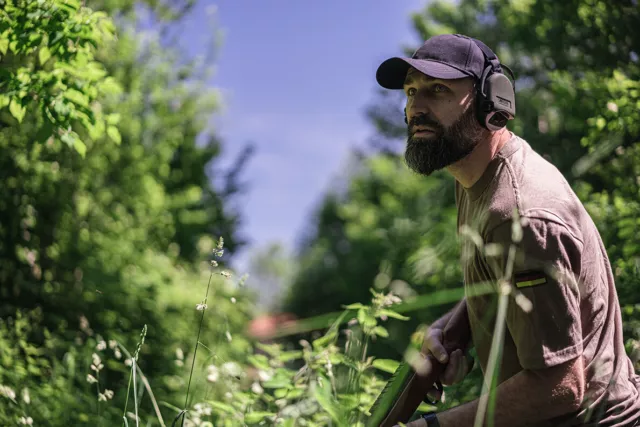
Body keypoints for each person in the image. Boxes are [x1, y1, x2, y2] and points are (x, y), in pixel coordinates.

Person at [375, 33, 640, 427]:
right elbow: (505, 277)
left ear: (490, 101)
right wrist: (452, 329)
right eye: (412, 92)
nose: (417, 107)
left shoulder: (521, 213)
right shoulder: (472, 172)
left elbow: (562, 384)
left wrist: (433, 426)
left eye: (437, 90)